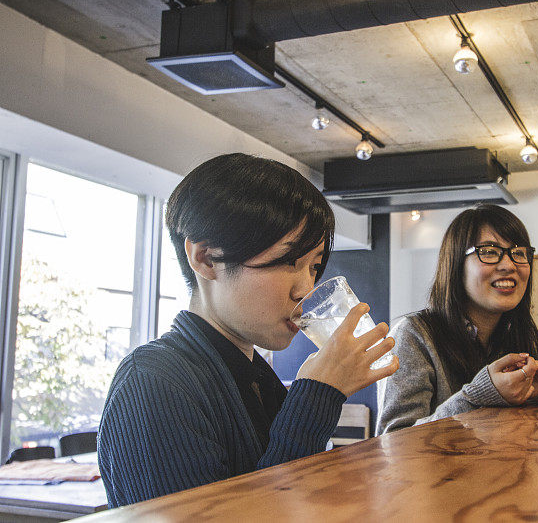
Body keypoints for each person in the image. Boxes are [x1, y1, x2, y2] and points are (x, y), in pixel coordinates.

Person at [98, 154, 398, 507]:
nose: (306, 289)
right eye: (290, 262)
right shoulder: (153, 382)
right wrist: (317, 396)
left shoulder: (253, 374)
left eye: (314, 267)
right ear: (207, 259)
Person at [376, 204, 538, 434]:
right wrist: (479, 395)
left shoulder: (518, 336)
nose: (509, 264)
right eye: (489, 251)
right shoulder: (414, 336)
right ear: (454, 264)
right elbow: (393, 442)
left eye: (518, 253)